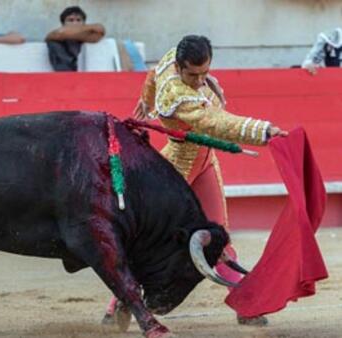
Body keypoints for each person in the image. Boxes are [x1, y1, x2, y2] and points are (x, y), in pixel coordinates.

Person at [101, 35, 288, 328]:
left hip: (205, 162)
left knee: (220, 238)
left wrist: (145, 101)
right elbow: (215, 123)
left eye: (205, 73)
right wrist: (262, 130)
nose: (200, 81)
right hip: (176, 170)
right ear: (179, 66)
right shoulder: (177, 94)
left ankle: (247, 305)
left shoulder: (175, 59)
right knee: (150, 241)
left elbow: (151, 75)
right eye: (192, 74)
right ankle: (118, 304)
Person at [45, 6, 105, 71]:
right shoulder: (55, 37)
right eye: (70, 20)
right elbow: (59, 33)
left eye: (78, 20)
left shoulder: (87, 37)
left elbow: (100, 29)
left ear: (84, 23)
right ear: (63, 24)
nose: (75, 23)